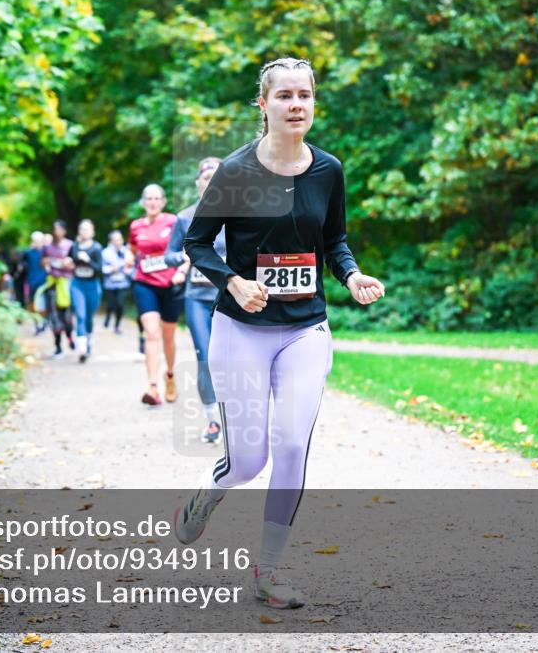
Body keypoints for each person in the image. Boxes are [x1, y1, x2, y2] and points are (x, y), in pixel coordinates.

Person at [175, 57, 385, 609]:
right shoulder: (237, 171)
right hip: (241, 328)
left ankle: (269, 570)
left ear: (314, 103)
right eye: (285, 95)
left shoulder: (328, 170)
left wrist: (353, 274)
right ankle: (208, 492)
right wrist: (234, 281)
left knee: (292, 444)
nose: (296, 105)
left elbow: (334, 240)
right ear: (262, 105)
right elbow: (196, 244)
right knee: (248, 461)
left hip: (304, 329)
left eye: (305, 96)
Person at [165, 157, 225, 443]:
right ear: (198, 183)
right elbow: (169, 255)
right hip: (197, 298)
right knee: (205, 357)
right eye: (205, 178)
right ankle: (213, 419)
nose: (210, 182)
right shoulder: (185, 217)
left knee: (234, 359)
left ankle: (237, 415)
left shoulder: (238, 216)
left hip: (231, 299)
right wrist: (185, 258)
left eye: (216, 177)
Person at [129, 183, 182, 405]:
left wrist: (181, 270)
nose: (152, 202)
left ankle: (169, 375)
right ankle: (152, 387)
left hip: (171, 283)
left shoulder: (173, 221)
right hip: (145, 283)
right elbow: (133, 250)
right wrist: (129, 259)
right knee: (152, 333)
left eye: (156, 198)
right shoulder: (136, 226)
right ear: (143, 202)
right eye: (148, 199)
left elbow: (187, 247)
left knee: (168, 336)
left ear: (163, 202)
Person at [70, 219, 104, 363]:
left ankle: (88, 341)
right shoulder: (75, 246)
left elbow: (99, 269)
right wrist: (68, 262)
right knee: (80, 315)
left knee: (89, 317)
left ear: (92, 232)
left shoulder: (96, 248)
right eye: (82, 229)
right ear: (79, 231)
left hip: (92, 286)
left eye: (87, 229)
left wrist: (88, 260)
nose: (84, 232)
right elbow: (69, 260)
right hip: (77, 285)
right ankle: (82, 349)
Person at [41, 220, 76, 359]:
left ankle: (69, 337)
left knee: (67, 317)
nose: (57, 232)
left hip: (66, 284)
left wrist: (67, 264)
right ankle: (58, 347)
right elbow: (42, 262)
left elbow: (75, 264)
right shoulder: (47, 247)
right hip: (52, 284)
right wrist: (47, 264)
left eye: (60, 229)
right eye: (55, 229)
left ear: (64, 231)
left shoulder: (70, 245)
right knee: (54, 317)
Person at [101, 230, 134, 334]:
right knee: (111, 304)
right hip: (110, 284)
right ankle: (108, 315)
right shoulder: (105, 252)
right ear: (111, 241)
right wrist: (112, 268)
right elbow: (102, 269)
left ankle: (117, 325)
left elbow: (130, 267)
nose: (118, 241)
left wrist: (125, 268)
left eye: (120, 239)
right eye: (115, 239)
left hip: (122, 283)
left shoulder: (126, 251)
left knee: (120, 304)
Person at [25, 231, 49, 334]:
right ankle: (36, 324)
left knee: (43, 304)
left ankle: (43, 322)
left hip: (44, 282)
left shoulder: (46, 252)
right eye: (35, 241)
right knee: (32, 305)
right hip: (32, 282)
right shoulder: (28, 253)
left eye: (39, 240)